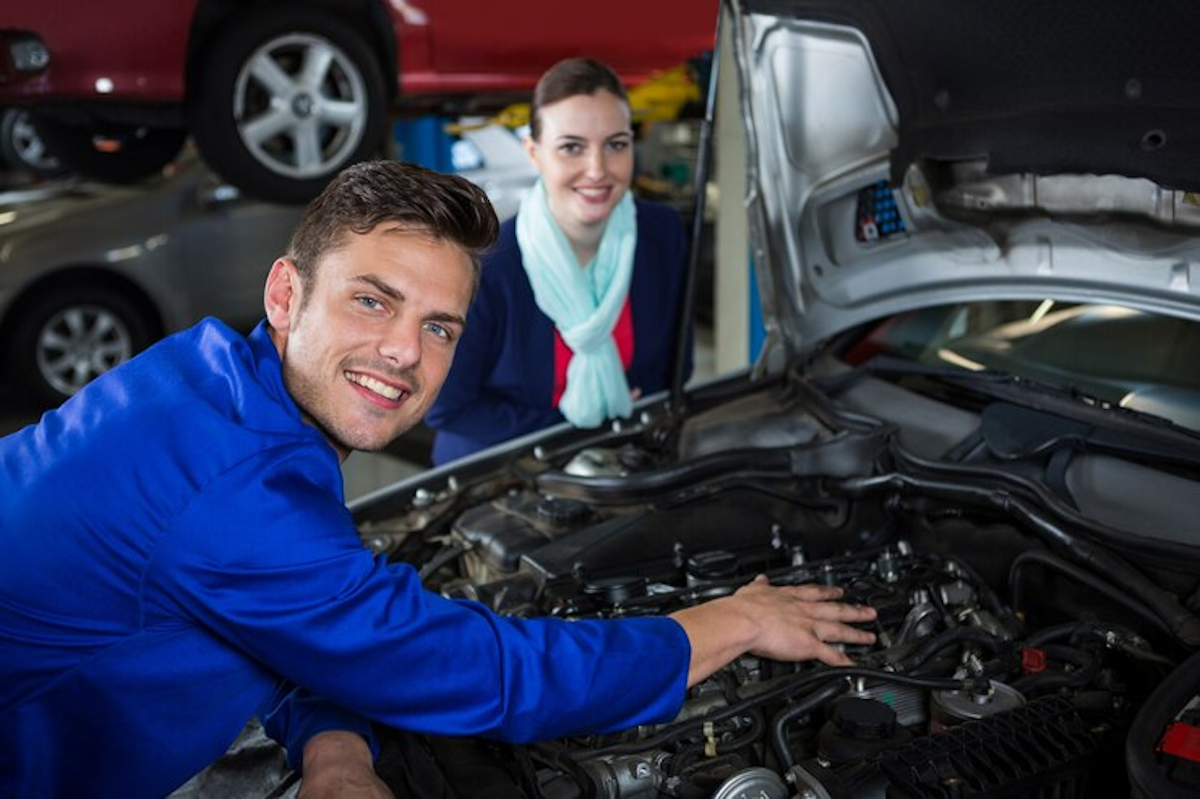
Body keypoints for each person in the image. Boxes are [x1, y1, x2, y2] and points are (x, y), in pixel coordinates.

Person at [0, 160, 877, 799]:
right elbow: (486, 672)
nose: (404, 354)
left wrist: (333, 747)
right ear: (284, 295)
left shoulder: (208, 381)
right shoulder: (233, 488)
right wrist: (727, 620)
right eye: (372, 300)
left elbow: (270, 624)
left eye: (441, 326)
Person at [425, 57, 693, 464]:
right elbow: (448, 407)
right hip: (499, 477)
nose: (597, 169)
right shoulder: (487, 265)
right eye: (572, 147)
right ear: (534, 153)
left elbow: (675, 371)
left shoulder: (662, 234)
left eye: (616, 145)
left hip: (622, 465)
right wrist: (585, 428)